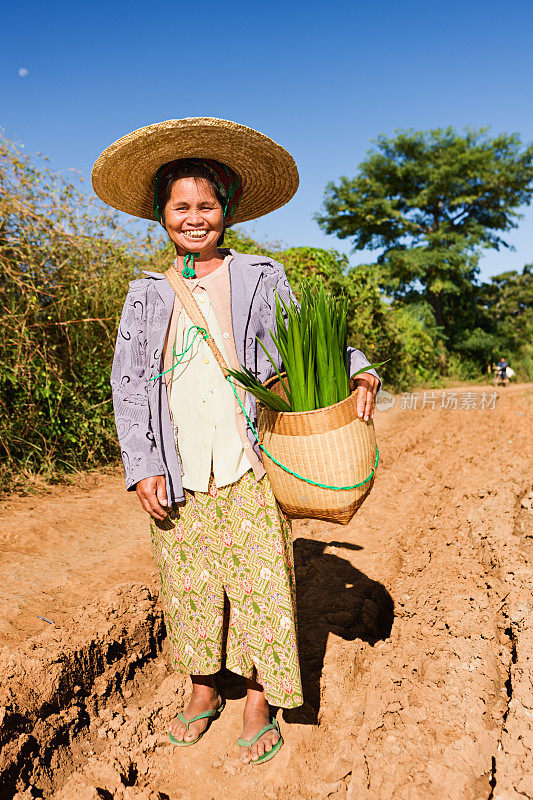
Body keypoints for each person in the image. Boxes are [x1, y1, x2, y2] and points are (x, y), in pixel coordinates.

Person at [91, 117, 382, 765]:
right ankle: (201, 690)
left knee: (261, 586)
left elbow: (307, 340)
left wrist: (357, 366)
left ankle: (257, 697)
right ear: (162, 216)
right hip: (178, 462)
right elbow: (130, 385)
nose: (194, 218)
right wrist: (141, 465)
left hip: (250, 461)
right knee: (188, 583)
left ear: (227, 210)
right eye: (181, 208)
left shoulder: (258, 276)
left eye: (206, 206)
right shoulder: (144, 295)